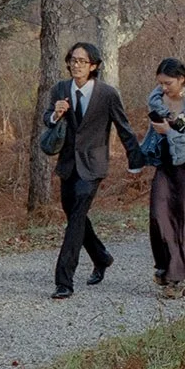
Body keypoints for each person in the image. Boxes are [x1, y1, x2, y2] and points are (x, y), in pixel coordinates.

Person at [41, 41, 145, 299]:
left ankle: (64, 281)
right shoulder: (60, 89)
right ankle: (101, 257)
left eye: (82, 61)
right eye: (73, 60)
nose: (76, 65)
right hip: (67, 164)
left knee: (76, 218)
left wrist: (136, 160)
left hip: (93, 165)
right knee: (74, 214)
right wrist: (55, 114)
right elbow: (46, 118)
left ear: (94, 66)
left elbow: (124, 127)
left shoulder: (107, 94)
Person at [142, 58, 185, 297]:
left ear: (181, 79)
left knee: (182, 218)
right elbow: (152, 135)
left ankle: (176, 278)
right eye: (160, 83)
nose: (163, 88)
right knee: (158, 215)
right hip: (165, 165)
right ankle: (164, 266)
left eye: (168, 83)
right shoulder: (156, 101)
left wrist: (169, 132)